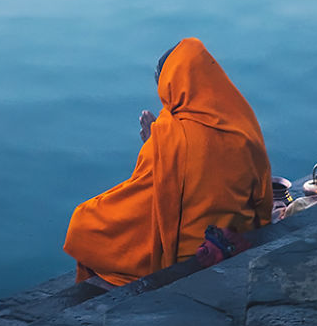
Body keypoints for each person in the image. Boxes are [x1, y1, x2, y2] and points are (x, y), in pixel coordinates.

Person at [63, 37, 272, 285]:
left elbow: (148, 200)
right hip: (237, 237)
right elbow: (263, 197)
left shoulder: (169, 136)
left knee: (83, 224)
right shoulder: (244, 124)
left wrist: (156, 146)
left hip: (190, 254)